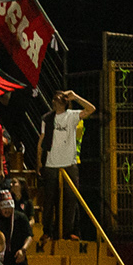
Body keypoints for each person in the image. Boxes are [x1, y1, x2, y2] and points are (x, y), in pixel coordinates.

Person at [38, 88, 95, 241]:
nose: (57, 99)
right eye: (55, 97)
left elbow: (91, 109)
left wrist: (75, 96)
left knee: (70, 199)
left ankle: (66, 232)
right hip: (51, 163)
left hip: (69, 163)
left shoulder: (71, 116)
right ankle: (47, 231)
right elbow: (42, 140)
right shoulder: (47, 118)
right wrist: (39, 161)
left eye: (61, 97)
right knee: (49, 200)